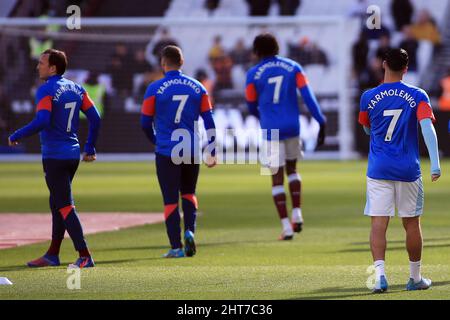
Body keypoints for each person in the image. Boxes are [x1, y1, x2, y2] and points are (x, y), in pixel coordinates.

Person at [8, 49, 101, 268]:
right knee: (57, 203)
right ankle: (53, 254)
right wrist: (89, 146)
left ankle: (85, 255)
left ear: (53, 68)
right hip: (72, 154)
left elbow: (42, 120)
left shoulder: (46, 90)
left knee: (65, 205)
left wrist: (17, 134)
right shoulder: (77, 88)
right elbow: (95, 118)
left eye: (41, 63)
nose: (37, 66)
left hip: (54, 155)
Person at [358, 48, 440, 293]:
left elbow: (366, 128)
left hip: (379, 168)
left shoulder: (368, 96)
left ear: (384, 64)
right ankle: (414, 278)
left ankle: (380, 277)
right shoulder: (418, 95)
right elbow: (428, 128)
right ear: (406, 68)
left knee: (378, 223)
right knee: (412, 223)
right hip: (408, 169)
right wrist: (435, 163)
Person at [245, 33, 326, 240]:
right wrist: (320, 120)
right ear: (277, 48)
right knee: (292, 170)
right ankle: (297, 214)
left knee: (276, 178)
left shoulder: (253, 74)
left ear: (257, 52)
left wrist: (263, 116)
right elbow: (308, 96)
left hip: (270, 129)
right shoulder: (294, 67)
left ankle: (286, 227)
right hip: (292, 126)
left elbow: (250, 105)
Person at [141, 46, 217, 258]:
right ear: (182, 62)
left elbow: (145, 122)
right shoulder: (198, 87)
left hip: (167, 150)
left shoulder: (154, 88)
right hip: (191, 149)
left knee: (170, 200)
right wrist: (211, 147)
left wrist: (155, 140)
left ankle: (176, 247)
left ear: (163, 64)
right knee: (189, 193)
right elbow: (209, 120)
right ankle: (190, 231)